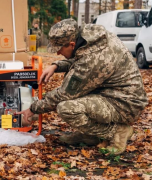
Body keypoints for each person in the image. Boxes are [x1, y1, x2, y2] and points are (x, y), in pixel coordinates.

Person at [17, 19, 148, 155]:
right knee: (73, 100)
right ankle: (90, 135)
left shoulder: (93, 60)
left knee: (67, 108)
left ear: (72, 44)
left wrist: (33, 109)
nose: (57, 53)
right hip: (114, 93)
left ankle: (117, 131)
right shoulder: (90, 38)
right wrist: (57, 65)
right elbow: (81, 56)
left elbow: (64, 94)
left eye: (59, 49)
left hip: (124, 104)